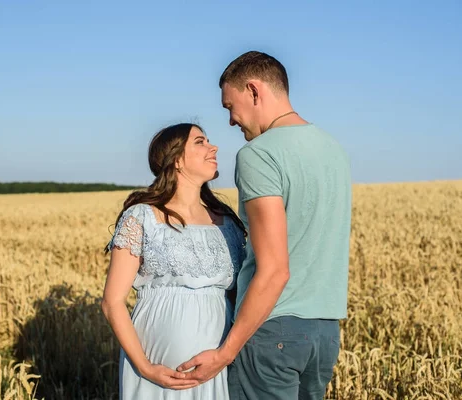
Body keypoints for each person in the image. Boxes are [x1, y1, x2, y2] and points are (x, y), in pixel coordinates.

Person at [176, 51, 352, 399]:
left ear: (254, 91)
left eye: (230, 105)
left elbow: (274, 270)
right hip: (325, 334)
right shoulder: (333, 149)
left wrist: (225, 353)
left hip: (273, 331)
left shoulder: (260, 154)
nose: (230, 120)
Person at [101, 122, 247, 399]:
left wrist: (227, 353)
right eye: (200, 142)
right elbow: (112, 302)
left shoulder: (227, 222)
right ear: (176, 159)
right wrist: (145, 367)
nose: (213, 147)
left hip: (217, 360)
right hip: (158, 362)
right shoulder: (142, 216)